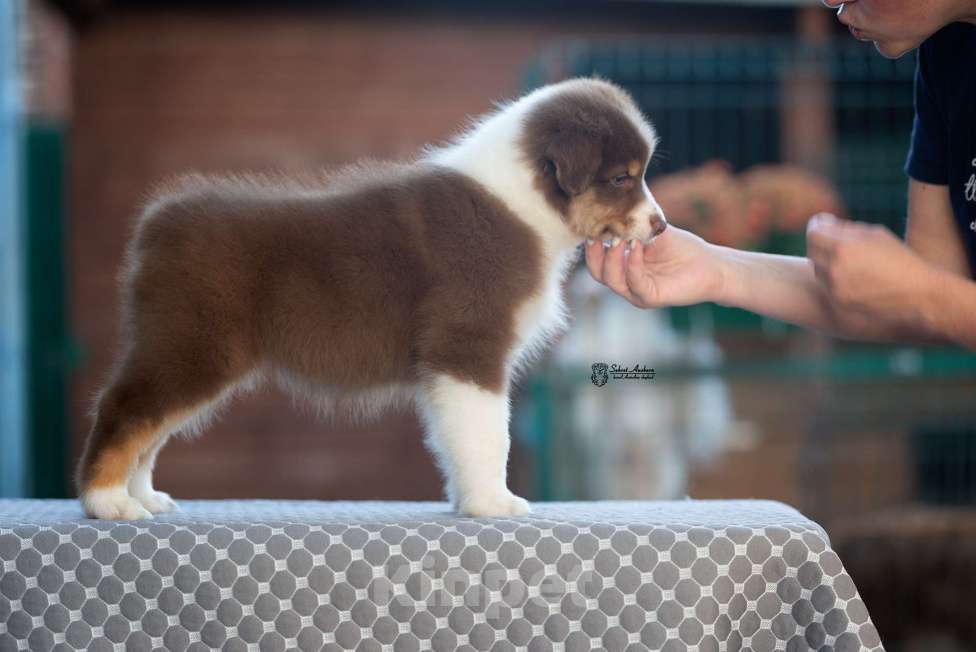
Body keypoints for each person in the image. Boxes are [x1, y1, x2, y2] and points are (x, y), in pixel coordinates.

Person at [585, 0, 976, 351]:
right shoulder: (948, 53)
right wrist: (718, 270)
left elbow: (934, 298)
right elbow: (937, 299)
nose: (832, 1)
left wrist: (926, 296)